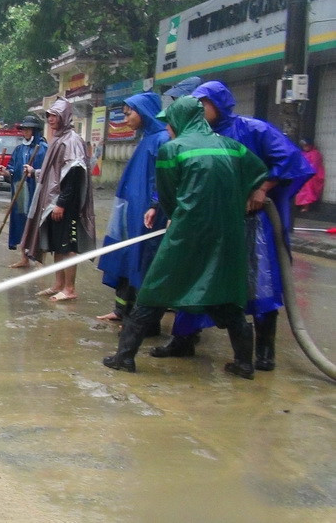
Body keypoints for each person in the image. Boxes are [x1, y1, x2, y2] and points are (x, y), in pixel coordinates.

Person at [102, 95, 269, 379]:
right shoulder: (231, 146)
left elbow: (168, 196)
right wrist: (251, 194)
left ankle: (124, 357)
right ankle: (244, 363)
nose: (167, 128)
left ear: (181, 120)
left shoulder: (173, 149)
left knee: (153, 292)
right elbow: (258, 172)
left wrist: (173, 217)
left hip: (187, 234)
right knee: (226, 297)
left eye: (170, 122)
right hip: (226, 236)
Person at [152, 81, 314, 370]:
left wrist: (262, 187)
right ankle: (184, 339)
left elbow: (290, 159)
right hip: (205, 224)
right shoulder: (195, 135)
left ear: (219, 103)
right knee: (193, 276)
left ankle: (263, 352)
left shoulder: (253, 130)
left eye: (204, 104)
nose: (199, 111)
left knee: (256, 282)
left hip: (250, 224)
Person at [96, 92, 170, 324]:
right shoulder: (146, 138)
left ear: (146, 111)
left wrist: (155, 204)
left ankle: (141, 319)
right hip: (131, 209)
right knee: (124, 258)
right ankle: (121, 310)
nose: (125, 118)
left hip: (147, 213)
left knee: (143, 262)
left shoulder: (161, 140)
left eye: (129, 113)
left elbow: (162, 177)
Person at [19, 97, 96, 301]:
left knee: (69, 246)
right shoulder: (58, 140)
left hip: (66, 206)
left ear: (64, 117)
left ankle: (69, 288)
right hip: (53, 204)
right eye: (49, 116)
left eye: (55, 115)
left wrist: (62, 203)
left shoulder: (72, 141)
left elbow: (74, 177)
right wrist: (35, 172)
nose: (51, 119)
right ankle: (58, 284)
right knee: (57, 246)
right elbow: (52, 173)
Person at [0, 115, 47, 259]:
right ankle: (24, 258)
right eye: (23, 129)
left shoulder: (43, 149)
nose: (25, 132)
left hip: (35, 192)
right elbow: (12, 169)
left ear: (34, 131)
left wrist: (33, 172)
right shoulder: (19, 149)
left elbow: (48, 172)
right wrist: (5, 171)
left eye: (28, 130)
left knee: (36, 224)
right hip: (20, 191)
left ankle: (39, 260)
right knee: (20, 222)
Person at [295, 138, 325, 213]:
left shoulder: (315, 153)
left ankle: (306, 206)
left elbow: (314, 166)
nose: (305, 147)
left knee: (307, 187)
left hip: (313, 175)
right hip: (304, 173)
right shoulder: (303, 153)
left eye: (306, 145)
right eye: (303, 146)